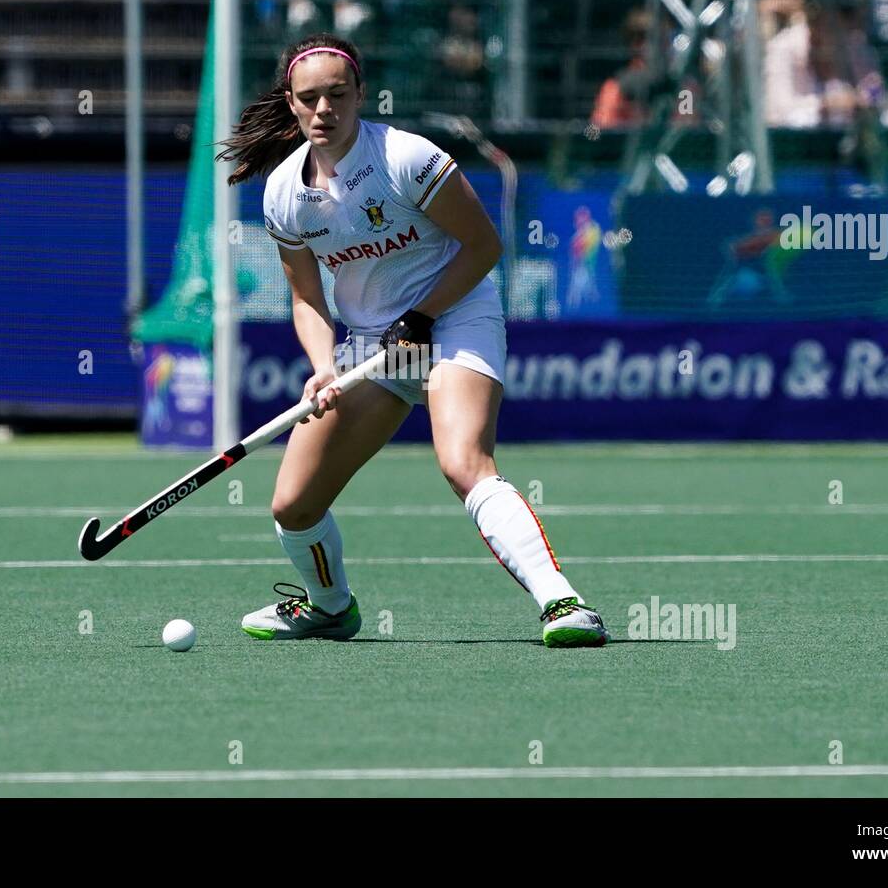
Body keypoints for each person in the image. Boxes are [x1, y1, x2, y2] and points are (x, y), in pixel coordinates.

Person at [218, 33, 608, 647]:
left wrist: (421, 317)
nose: (325, 110)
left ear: (361, 95)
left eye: (338, 96)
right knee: (292, 506)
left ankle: (564, 604)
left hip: (453, 317)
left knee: (463, 463)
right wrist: (323, 368)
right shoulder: (284, 193)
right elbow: (306, 299)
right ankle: (329, 607)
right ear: (290, 104)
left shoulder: (406, 158)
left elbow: (483, 247)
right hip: (371, 344)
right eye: (310, 99)